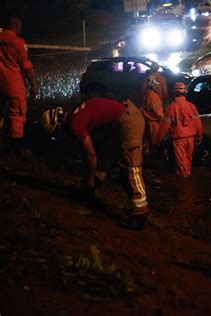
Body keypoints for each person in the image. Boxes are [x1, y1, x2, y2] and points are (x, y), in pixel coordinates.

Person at [40, 97, 149, 230]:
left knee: (131, 169)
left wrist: (89, 178)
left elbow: (90, 155)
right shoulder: (76, 112)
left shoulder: (76, 124)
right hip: (121, 120)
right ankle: (91, 189)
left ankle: (139, 216)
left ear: (59, 124)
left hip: (129, 121)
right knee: (106, 155)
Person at [0, 14, 37, 154]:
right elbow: (26, 65)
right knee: (17, 114)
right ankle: (17, 146)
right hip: (14, 84)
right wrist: (33, 84)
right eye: (20, 26)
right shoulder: (19, 42)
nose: (21, 29)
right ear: (15, 26)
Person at [157, 82, 202, 177]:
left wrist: (160, 138)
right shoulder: (191, 106)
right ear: (185, 92)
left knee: (181, 163)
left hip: (179, 139)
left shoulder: (171, 107)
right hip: (191, 138)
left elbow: (165, 125)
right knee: (188, 160)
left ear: (174, 93)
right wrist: (199, 135)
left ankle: (184, 185)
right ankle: (188, 180)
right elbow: (198, 123)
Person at [141, 74, 164, 150]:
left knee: (148, 140)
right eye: (156, 86)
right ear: (152, 86)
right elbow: (158, 112)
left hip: (148, 120)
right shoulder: (153, 96)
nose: (158, 87)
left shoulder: (147, 95)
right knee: (154, 142)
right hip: (153, 122)